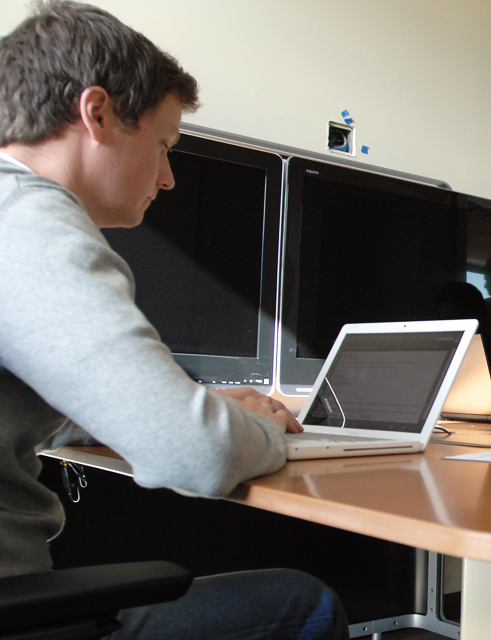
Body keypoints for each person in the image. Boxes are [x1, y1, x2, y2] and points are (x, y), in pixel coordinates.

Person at [0, 3, 347, 638]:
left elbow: (45, 394)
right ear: (96, 114)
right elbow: (198, 455)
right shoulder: (31, 226)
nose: (167, 178)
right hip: (18, 614)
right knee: (306, 603)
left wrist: (198, 401)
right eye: (163, 146)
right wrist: (253, 428)